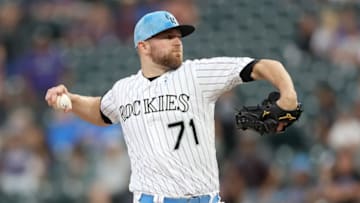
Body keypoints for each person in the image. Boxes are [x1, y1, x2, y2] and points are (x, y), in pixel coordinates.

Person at [45, 10, 299, 203]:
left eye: (179, 36)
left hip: (206, 197)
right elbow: (102, 111)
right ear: (143, 46)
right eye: (167, 37)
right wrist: (72, 99)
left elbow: (264, 65)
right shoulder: (124, 89)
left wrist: (287, 94)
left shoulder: (196, 74)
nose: (177, 41)